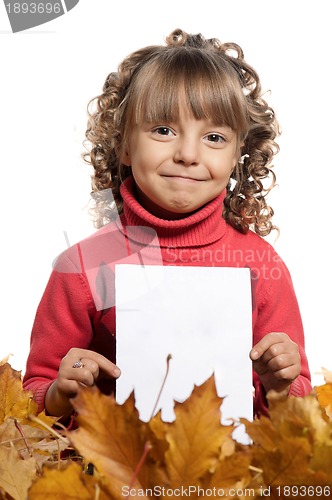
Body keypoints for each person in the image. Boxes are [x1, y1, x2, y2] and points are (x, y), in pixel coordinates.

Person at [23, 28, 311, 420]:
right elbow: (34, 394)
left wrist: (280, 382)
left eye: (213, 136)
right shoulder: (83, 267)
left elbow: (295, 404)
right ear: (124, 143)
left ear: (237, 156)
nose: (188, 154)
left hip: (227, 474)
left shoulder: (260, 266)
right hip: (112, 475)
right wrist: (60, 392)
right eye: (163, 130)